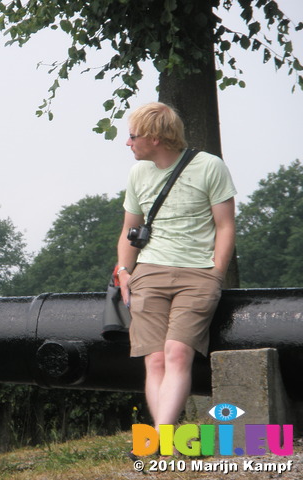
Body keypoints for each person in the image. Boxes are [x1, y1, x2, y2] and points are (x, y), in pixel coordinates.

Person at [116, 102, 236, 434]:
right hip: (149, 272)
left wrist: (216, 274)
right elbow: (130, 230)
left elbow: (225, 226)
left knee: (177, 353)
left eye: (132, 136)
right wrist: (124, 271)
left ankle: (161, 438)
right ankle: (163, 437)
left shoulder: (210, 167)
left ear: (154, 138)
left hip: (197, 274)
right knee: (154, 359)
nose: (128, 143)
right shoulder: (137, 173)